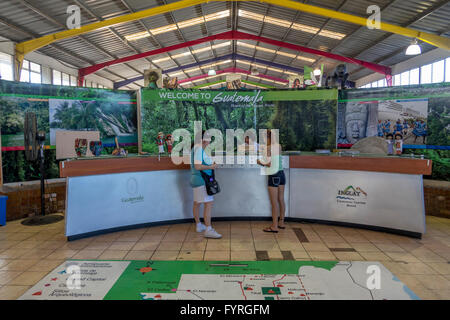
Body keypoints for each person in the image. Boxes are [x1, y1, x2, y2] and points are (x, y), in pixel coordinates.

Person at [191, 131, 222, 239]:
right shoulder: (199, 149)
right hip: (202, 181)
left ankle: (199, 225)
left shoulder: (195, 149)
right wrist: (211, 167)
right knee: (208, 204)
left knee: (197, 203)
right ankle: (208, 229)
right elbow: (198, 166)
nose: (210, 142)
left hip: (196, 180)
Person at [257, 131, 285, 233]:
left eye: (264, 138)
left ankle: (274, 226)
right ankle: (281, 222)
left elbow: (268, 164)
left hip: (273, 175)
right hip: (281, 174)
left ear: (267, 138)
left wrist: (259, 161)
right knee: (281, 199)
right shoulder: (279, 146)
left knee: (274, 203)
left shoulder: (268, 148)